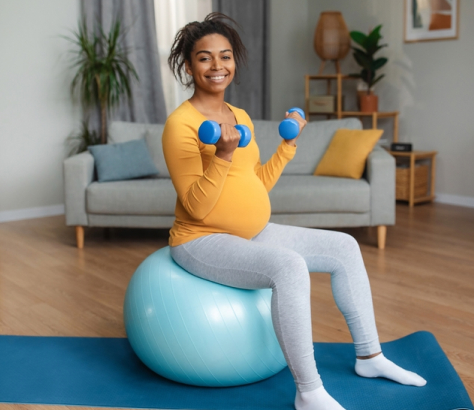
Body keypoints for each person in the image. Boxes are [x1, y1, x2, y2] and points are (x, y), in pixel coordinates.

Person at [162, 12, 426, 410]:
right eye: (204, 57)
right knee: (288, 266)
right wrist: (223, 155)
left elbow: (256, 184)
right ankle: (309, 391)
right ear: (188, 65)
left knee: (345, 246)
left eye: (226, 55)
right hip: (202, 240)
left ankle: (370, 356)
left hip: (252, 232)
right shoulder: (180, 125)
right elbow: (197, 207)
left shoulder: (240, 117)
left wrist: (287, 146)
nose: (217, 65)